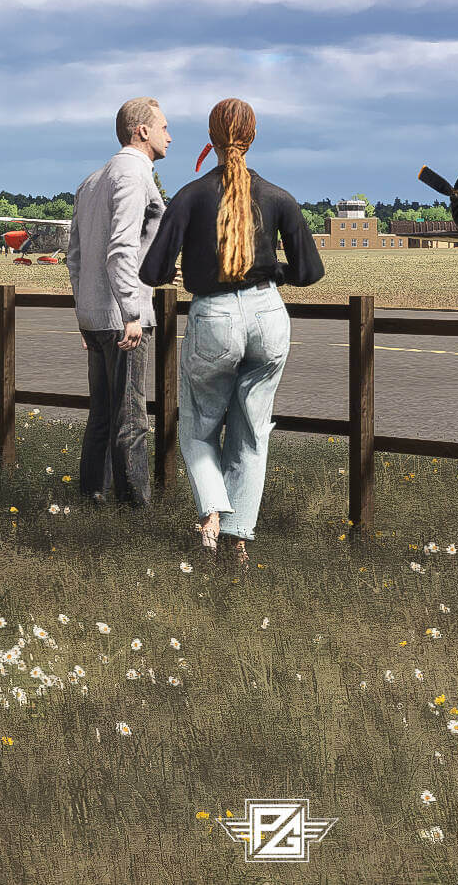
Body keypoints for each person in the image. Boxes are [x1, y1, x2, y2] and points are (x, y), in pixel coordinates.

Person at [139, 98, 324, 566]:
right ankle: (239, 541)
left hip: (214, 318)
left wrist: (191, 266)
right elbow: (310, 271)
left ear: (212, 138)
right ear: (253, 136)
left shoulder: (191, 195)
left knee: (200, 427)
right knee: (252, 431)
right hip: (268, 316)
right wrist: (272, 271)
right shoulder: (279, 197)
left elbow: (153, 269)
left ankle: (211, 520)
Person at [64, 97, 171, 508]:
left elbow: (75, 256)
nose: (169, 135)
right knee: (131, 419)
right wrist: (132, 311)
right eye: (163, 127)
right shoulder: (131, 174)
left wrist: (83, 313)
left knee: (102, 416)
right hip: (124, 319)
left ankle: (92, 499)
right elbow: (121, 248)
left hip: (95, 316)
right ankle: (133, 515)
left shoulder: (91, 182)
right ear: (141, 131)